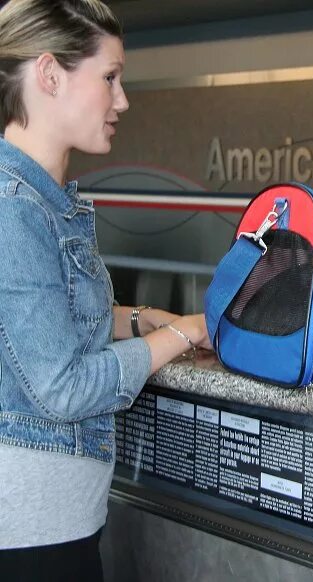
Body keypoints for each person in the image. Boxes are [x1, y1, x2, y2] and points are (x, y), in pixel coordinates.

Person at [0, 1, 212, 580]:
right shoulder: (13, 209)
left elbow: (52, 318)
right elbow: (63, 388)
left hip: (53, 523)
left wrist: (147, 319)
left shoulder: (40, 198)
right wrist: (183, 333)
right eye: (110, 77)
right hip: (28, 534)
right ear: (49, 74)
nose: (122, 101)